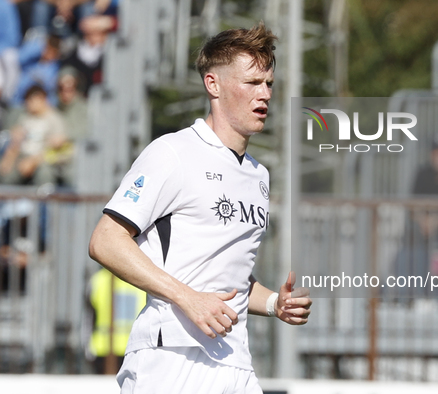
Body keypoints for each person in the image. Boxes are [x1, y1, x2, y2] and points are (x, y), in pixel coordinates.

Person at [88, 23, 312, 394]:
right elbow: (105, 240)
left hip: (235, 361)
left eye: (269, 84)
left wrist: (275, 303)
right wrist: (188, 298)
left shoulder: (259, 176)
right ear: (214, 85)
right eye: (252, 82)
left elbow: (228, 279)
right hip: (172, 356)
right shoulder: (172, 152)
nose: (265, 94)